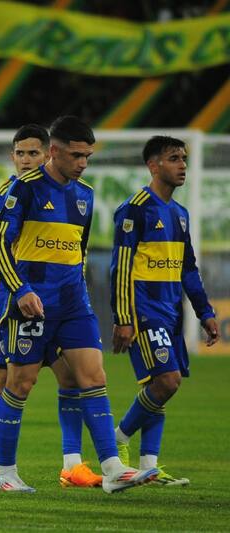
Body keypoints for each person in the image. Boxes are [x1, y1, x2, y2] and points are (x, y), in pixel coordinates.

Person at [0, 115, 158, 494]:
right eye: (77, 155)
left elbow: (77, 251)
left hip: (73, 303)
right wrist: (20, 291)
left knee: (93, 377)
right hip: (31, 302)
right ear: (55, 151)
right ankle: (5, 472)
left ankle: (112, 467)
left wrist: (79, 291)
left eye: (88, 156)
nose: (83, 163)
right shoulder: (24, 188)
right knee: (20, 383)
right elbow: (0, 244)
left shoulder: (85, 194)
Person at [0, 124, 101, 489]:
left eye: (34, 153)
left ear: (47, 153)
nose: (28, 160)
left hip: (58, 303)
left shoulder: (69, 193)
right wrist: (21, 293)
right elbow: (4, 252)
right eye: (22, 154)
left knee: (70, 377)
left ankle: (72, 464)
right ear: (12, 157)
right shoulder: (8, 194)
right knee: (4, 380)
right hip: (12, 299)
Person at [110, 135, 219, 486]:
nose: (183, 165)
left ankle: (150, 466)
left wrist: (205, 311)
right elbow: (121, 268)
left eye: (184, 158)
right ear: (154, 165)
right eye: (174, 158)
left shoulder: (180, 214)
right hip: (145, 310)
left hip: (173, 311)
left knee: (162, 384)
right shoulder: (135, 208)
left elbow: (188, 269)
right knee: (166, 381)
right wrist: (124, 318)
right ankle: (119, 438)